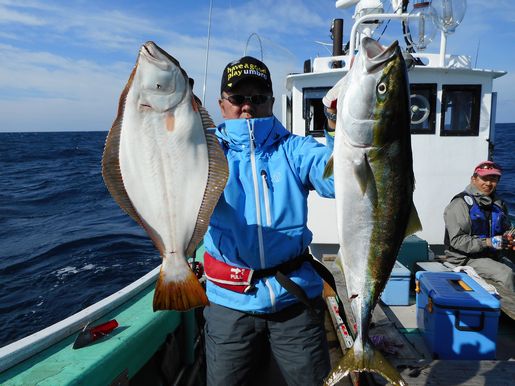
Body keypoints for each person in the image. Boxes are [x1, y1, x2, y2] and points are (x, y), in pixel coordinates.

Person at [202, 56, 336, 386]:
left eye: (258, 97)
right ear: (222, 105)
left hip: (294, 298)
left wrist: (336, 125)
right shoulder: (206, 151)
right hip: (229, 301)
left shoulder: (295, 148)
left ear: (272, 103)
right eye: (237, 98)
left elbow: (338, 182)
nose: (247, 105)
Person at [443, 160, 515, 291]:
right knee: (506, 273)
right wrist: (488, 242)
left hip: (492, 254)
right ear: (473, 179)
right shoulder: (459, 204)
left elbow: (505, 229)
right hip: (465, 258)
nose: (488, 183)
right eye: (484, 178)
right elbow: (457, 241)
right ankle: (505, 309)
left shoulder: (498, 203)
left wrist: (509, 238)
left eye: (493, 179)